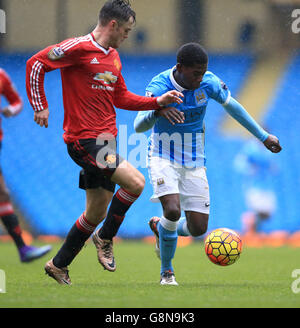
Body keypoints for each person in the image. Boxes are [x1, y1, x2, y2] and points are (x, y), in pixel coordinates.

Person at [26, 0, 183, 285]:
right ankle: (106, 237)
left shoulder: (113, 57)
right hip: (84, 141)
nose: (127, 35)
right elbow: (35, 63)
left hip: (105, 142)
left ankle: (59, 265)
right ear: (113, 24)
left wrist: (156, 102)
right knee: (135, 183)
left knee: (95, 211)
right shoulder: (77, 48)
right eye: (126, 30)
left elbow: (121, 97)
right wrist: (40, 105)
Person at [133, 43, 282, 285]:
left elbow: (232, 106)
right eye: (195, 73)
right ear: (180, 68)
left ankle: (162, 228)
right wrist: (157, 110)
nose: (200, 78)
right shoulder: (160, 85)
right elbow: (138, 126)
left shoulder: (209, 82)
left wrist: (263, 136)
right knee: (172, 209)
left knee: (198, 228)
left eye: (203, 72)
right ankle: (167, 272)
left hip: (194, 160)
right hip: (162, 155)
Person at [0, 67, 52, 262]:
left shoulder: (2, 75)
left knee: (2, 194)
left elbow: (17, 101)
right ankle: (22, 248)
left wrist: (10, 110)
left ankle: (23, 249)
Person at [233, 137, 279, 234]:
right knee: (256, 211)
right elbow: (239, 163)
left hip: (267, 186)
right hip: (253, 186)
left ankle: (254, 231)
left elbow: (274, 166)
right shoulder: (250, 148)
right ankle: (249, 233)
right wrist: (250, 169)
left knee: (266, 214)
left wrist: (272, 168)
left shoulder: (270, 150)